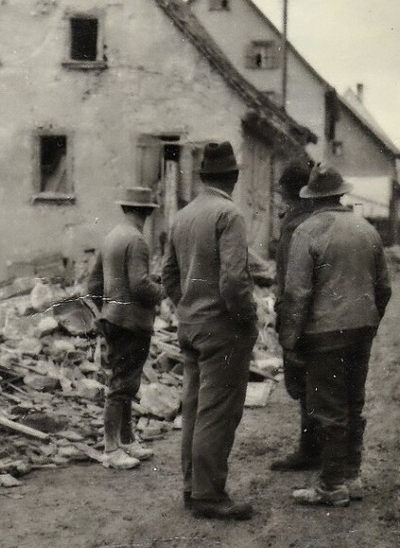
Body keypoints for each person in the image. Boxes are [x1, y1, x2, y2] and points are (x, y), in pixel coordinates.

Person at [278, 162, 392, 506]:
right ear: (341, 194)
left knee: (328, 408)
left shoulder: (308, 231)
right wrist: (370, 321)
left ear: (312, 197)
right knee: (353, 403)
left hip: (325, 333)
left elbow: (297, 294)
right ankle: (351, 475)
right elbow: (383, 287)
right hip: (362, 329)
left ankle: (331, 484)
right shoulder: (366, 230)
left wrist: (290, 340)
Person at [162, 141, 258, 520]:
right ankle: (208, 494)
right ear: (233, 177)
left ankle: (192, 487)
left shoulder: (182, 215)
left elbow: (168, 274)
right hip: (222, 330)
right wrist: (247, 318)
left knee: (195, 409)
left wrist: (188, 305)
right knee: (217, 412)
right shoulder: (228, 214)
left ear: (204, 177)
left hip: (191, 328)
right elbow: (235, 281)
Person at [88, 186, 162, 469]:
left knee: (126, 381)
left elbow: (93, 284)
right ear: (146, 212)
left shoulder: (111, 237)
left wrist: (104, 309)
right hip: (132, 322)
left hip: (113, 319)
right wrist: (162, 292)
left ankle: (127, 439)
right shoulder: (138, 240)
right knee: (121, 385)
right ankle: (110, 447)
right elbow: (141, 285)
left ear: (125, 208)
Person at [271, 160, 319, 472]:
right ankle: (324, 449)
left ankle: (310, 450)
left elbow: (290, 282)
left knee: (302, 385)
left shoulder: (293, 226)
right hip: (326, 315)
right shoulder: (322, 219)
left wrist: (285, 324)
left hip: (299, 313)